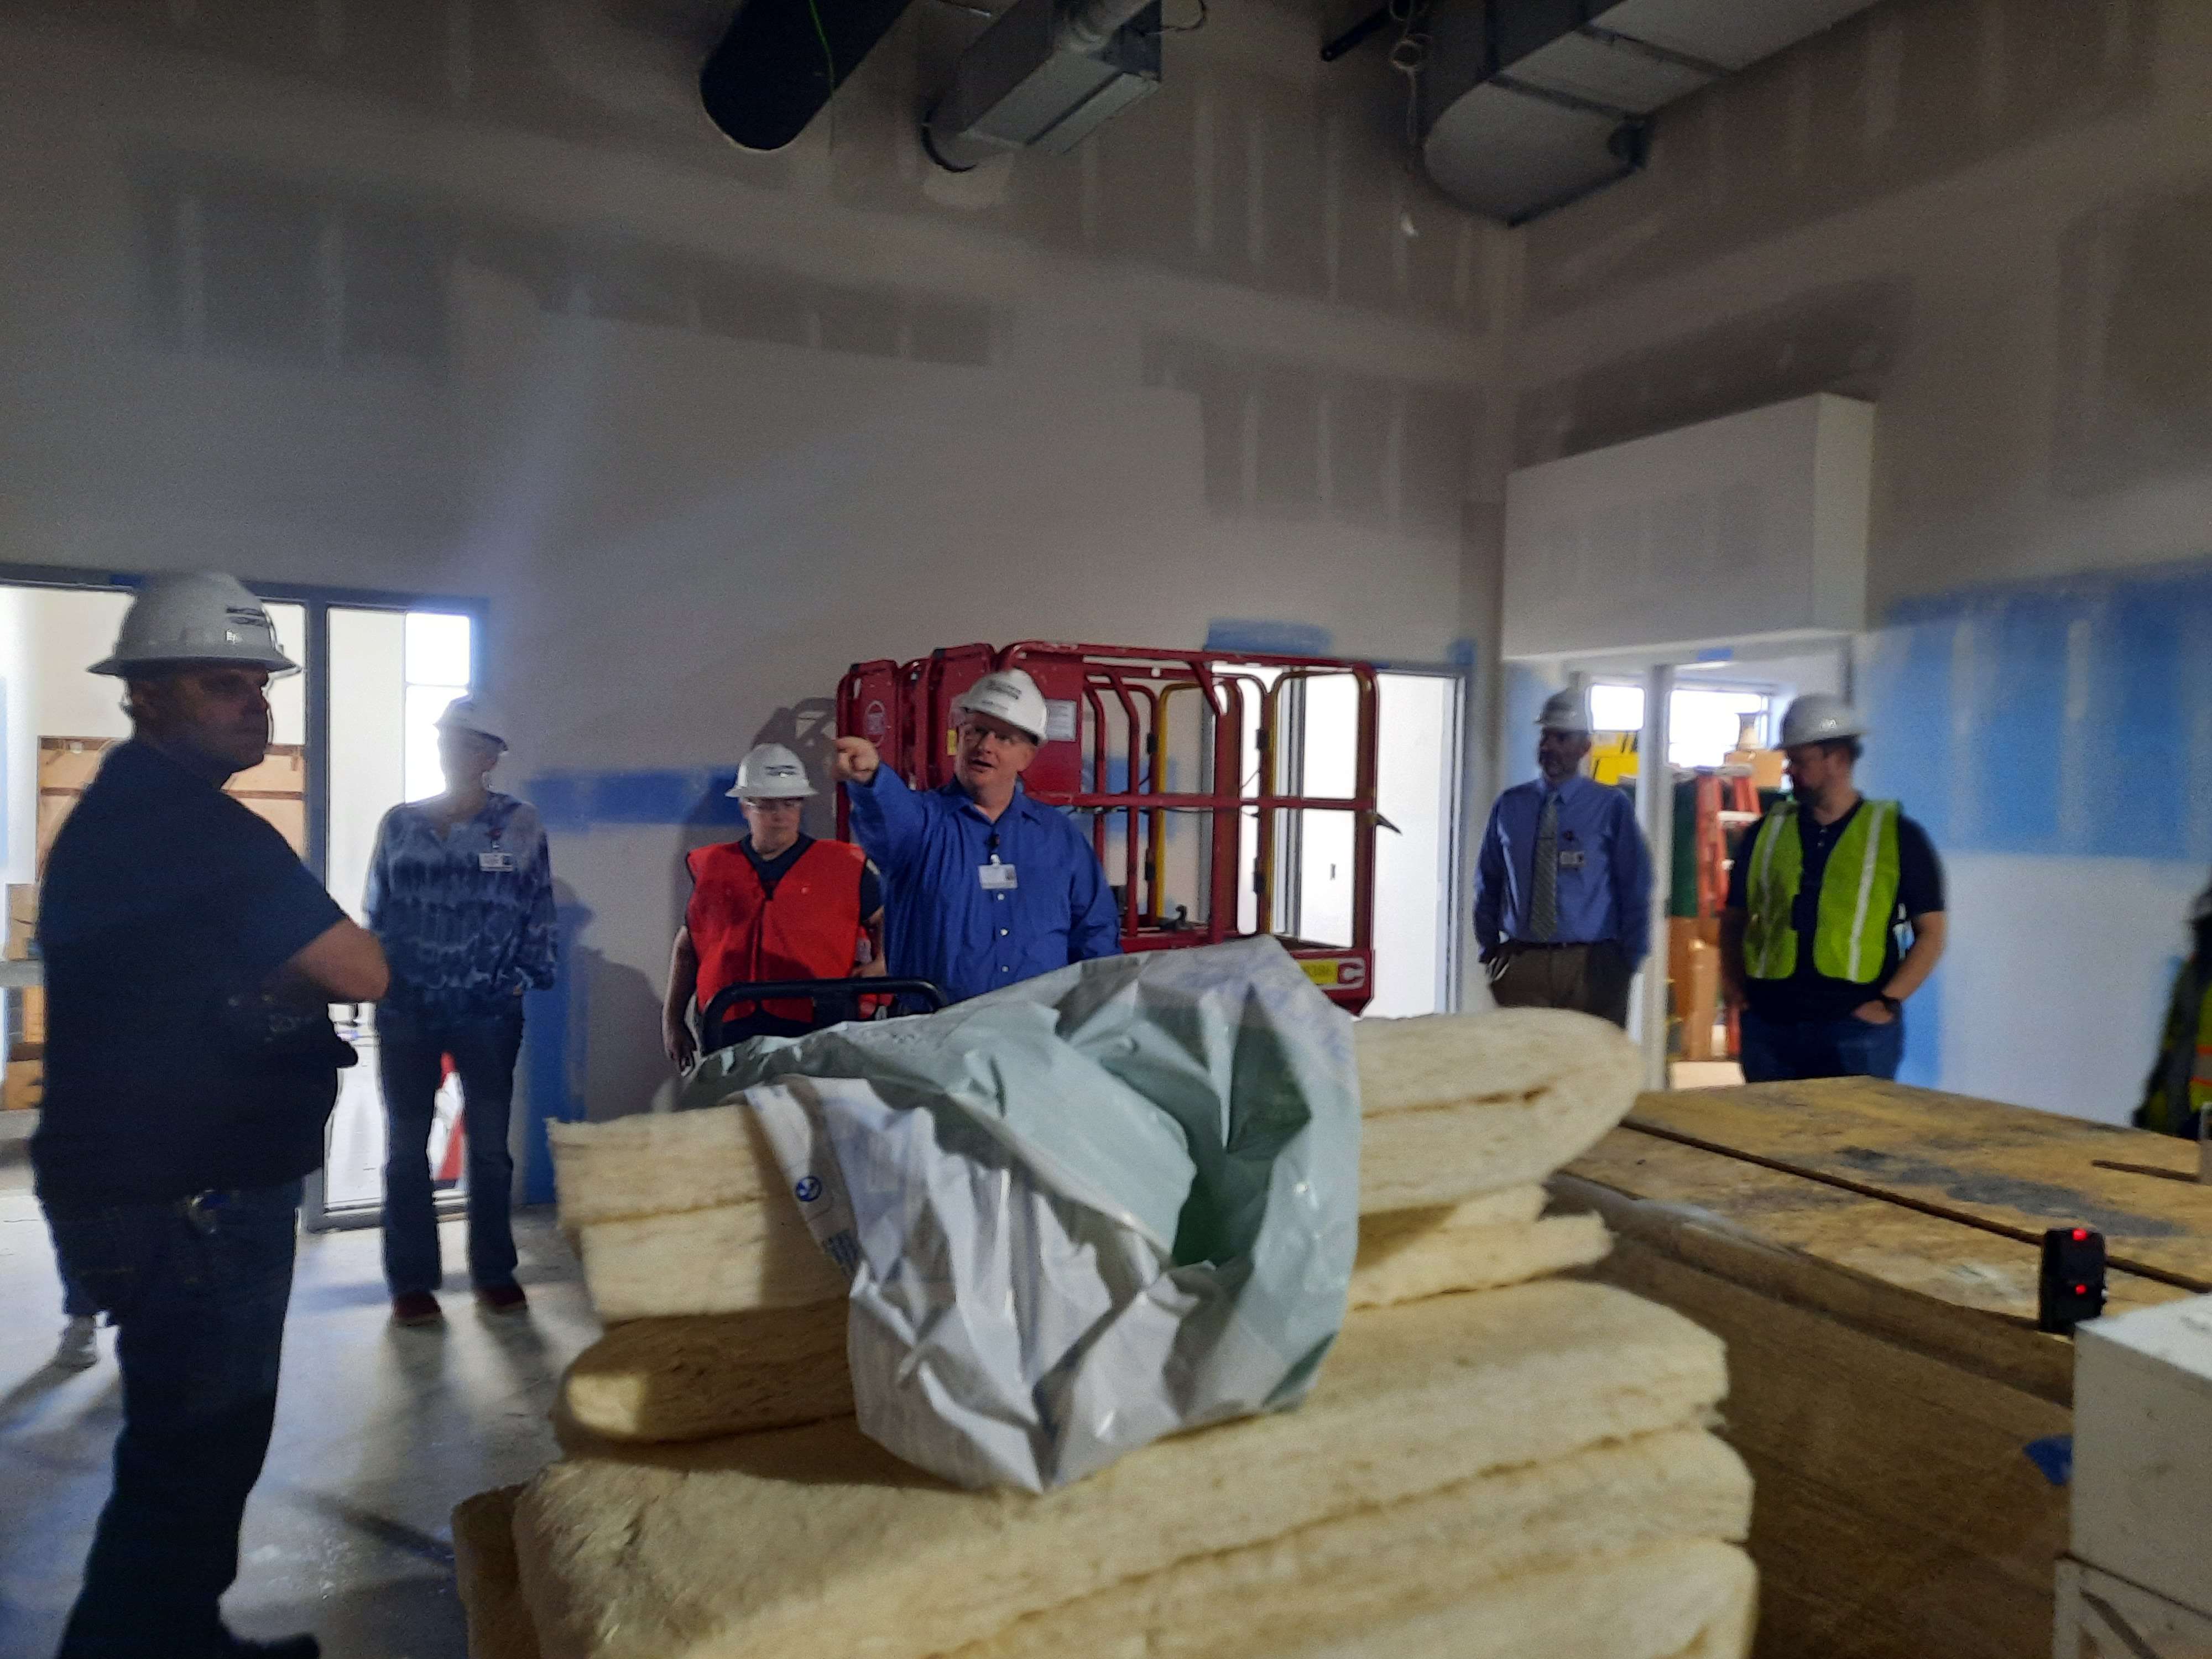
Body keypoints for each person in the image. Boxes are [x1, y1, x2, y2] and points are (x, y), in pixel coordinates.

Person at [34, 572, 389, 1659]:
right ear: (148, 694)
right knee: (193, 1457)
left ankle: (185, 1638)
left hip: (146, 1186)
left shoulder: (121, 812)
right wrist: (289, 976)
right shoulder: (200, 829)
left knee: (185, 1453)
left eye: (259, 684)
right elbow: (363, 969)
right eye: (221, 685)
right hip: (194, 1201)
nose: (254, 705)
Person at [364, 696, 557, 1329]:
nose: (455, 751)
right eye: (448, 739)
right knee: (405, 1149)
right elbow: (377, 910)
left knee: (491, 1152)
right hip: (408, 1010)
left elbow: (538, 908)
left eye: (469, 743)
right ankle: (412, 1280)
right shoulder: (400, 823)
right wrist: (378, 984)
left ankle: (494, 1272)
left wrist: (523, 980)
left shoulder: (519, 823)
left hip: (487, 1012)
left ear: (491, 757)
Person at [833, 668, 1121, 1002]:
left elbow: (1095, 933)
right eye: (976, 731)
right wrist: (871, 778)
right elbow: (887, 815)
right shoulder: (922, 825)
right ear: (960, 737)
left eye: (1004, 738)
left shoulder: (1058, 837)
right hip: (938, 1027)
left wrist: (1101, 1008)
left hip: (1037, 1025)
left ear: (1027, 756)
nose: (985, 746)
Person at [1719, 693, 1947, 1083]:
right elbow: (1733, 920)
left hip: (1855, 1029)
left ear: (1838, 759)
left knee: (1854, 1125)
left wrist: (1887, 1002)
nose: (1790, 770)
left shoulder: (1897, 836)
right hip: (1771, 1027)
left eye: (1800, 761)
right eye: (1789, 760)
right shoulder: (1765, 833)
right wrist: (1735, 988)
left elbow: (1932, 933)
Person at [661, 743, 884, 1068]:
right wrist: (672, 1021)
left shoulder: (844, 865)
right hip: (729, 1026)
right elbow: (688, 947)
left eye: (790, 803)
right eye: (766, 805)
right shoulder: (713, 867)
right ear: (745, 808)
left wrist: (882, 964)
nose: (780, 816)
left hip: (819, 1027)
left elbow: (888, 919)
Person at [1474, 688, 1651, 1027]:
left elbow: (1635, 886)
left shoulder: (1610, 807)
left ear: (1585, 747)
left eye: (1562, 738)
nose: (1549, 746)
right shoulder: (1511, 806)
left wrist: (1627, 960)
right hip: (1523, 962)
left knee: (1592, 1056)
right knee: (1525, 1057)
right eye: (1545, 736)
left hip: (1592, 966)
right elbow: (1489, 880)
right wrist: (1490, 949)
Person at [2135, 880, 2212, 1139]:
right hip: (2172, 1114)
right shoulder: (2192, 970)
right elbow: (2172, 1042)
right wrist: (2150, 1103)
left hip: (2203, 1122)